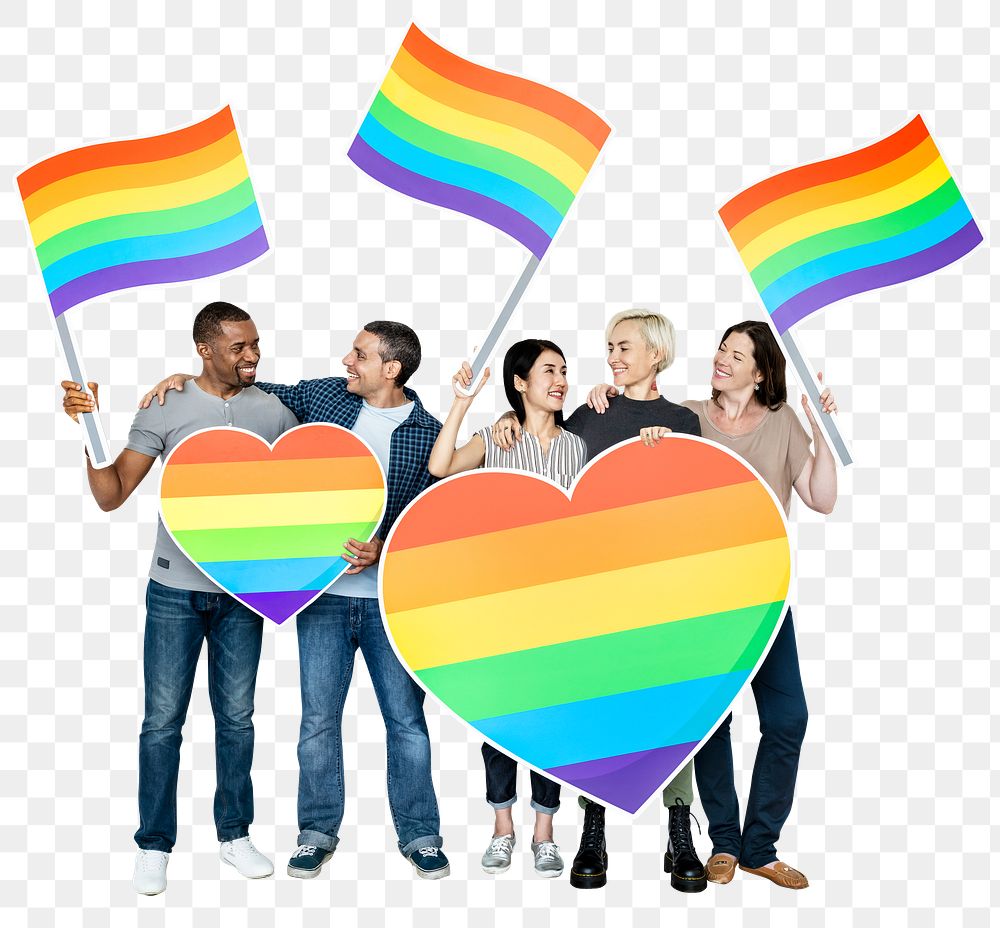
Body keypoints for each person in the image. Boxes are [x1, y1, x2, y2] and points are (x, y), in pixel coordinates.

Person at [140, 321, 449, 880]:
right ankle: (316, 833)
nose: (346, 360)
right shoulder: (324, 395)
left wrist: (385, 546)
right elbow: (242, 391)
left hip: (390, 600)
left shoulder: (428, 433)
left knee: (405, 720)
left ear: (392, 369)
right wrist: (189, 378)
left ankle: (420, 835)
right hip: (323, 597)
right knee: (317, 722)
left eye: (359, 354)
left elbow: (435, 521)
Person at [590, 319, 838, 890]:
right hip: (699, 600)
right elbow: (636, 450)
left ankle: (760, 846)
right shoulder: (690, 418)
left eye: (736, 354)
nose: (722, 359)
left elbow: (822, 500)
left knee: (788, 718)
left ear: (760, 370)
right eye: (721, 348)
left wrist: (823, 433)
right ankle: (723, 843)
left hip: (763, 597)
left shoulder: (781, 424)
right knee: (714, 722)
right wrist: (603, 397)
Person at [60, 302, 296, 895]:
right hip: (173, 591)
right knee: (162, 722)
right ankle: (154, 844)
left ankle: (234, 834)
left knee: (236, 720)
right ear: (205, 349)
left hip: (244, 594)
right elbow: (112, 495)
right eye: (239, 347)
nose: (253, 356)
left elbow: (302, 493)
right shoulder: (165, 406)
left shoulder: (274, 411)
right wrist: (89, 435)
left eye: (256, 344)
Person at [489, 310, 706, 892]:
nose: (611, 356)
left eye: (624, 347)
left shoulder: (683, 420)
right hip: (591, 588)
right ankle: (593, 825)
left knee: (669, 705)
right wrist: (503, 424)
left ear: (655, 354)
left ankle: (680, 829)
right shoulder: (592, 412)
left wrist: (666, 454)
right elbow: (550, 458)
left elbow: (693, 507)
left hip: (660, 589)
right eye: (609, 346)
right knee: (595, 706)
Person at [429, 339, 587, 879]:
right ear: (520, 383)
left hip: (560, 606)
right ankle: (503, 829)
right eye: (549, 370)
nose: (561, 379)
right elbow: (440, 465)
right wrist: (463, 402)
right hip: (497, 603)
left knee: (550, 718)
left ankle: (544, 831)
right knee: (498, 716)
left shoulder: (577, 447)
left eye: (565, 370)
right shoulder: (497, 440)